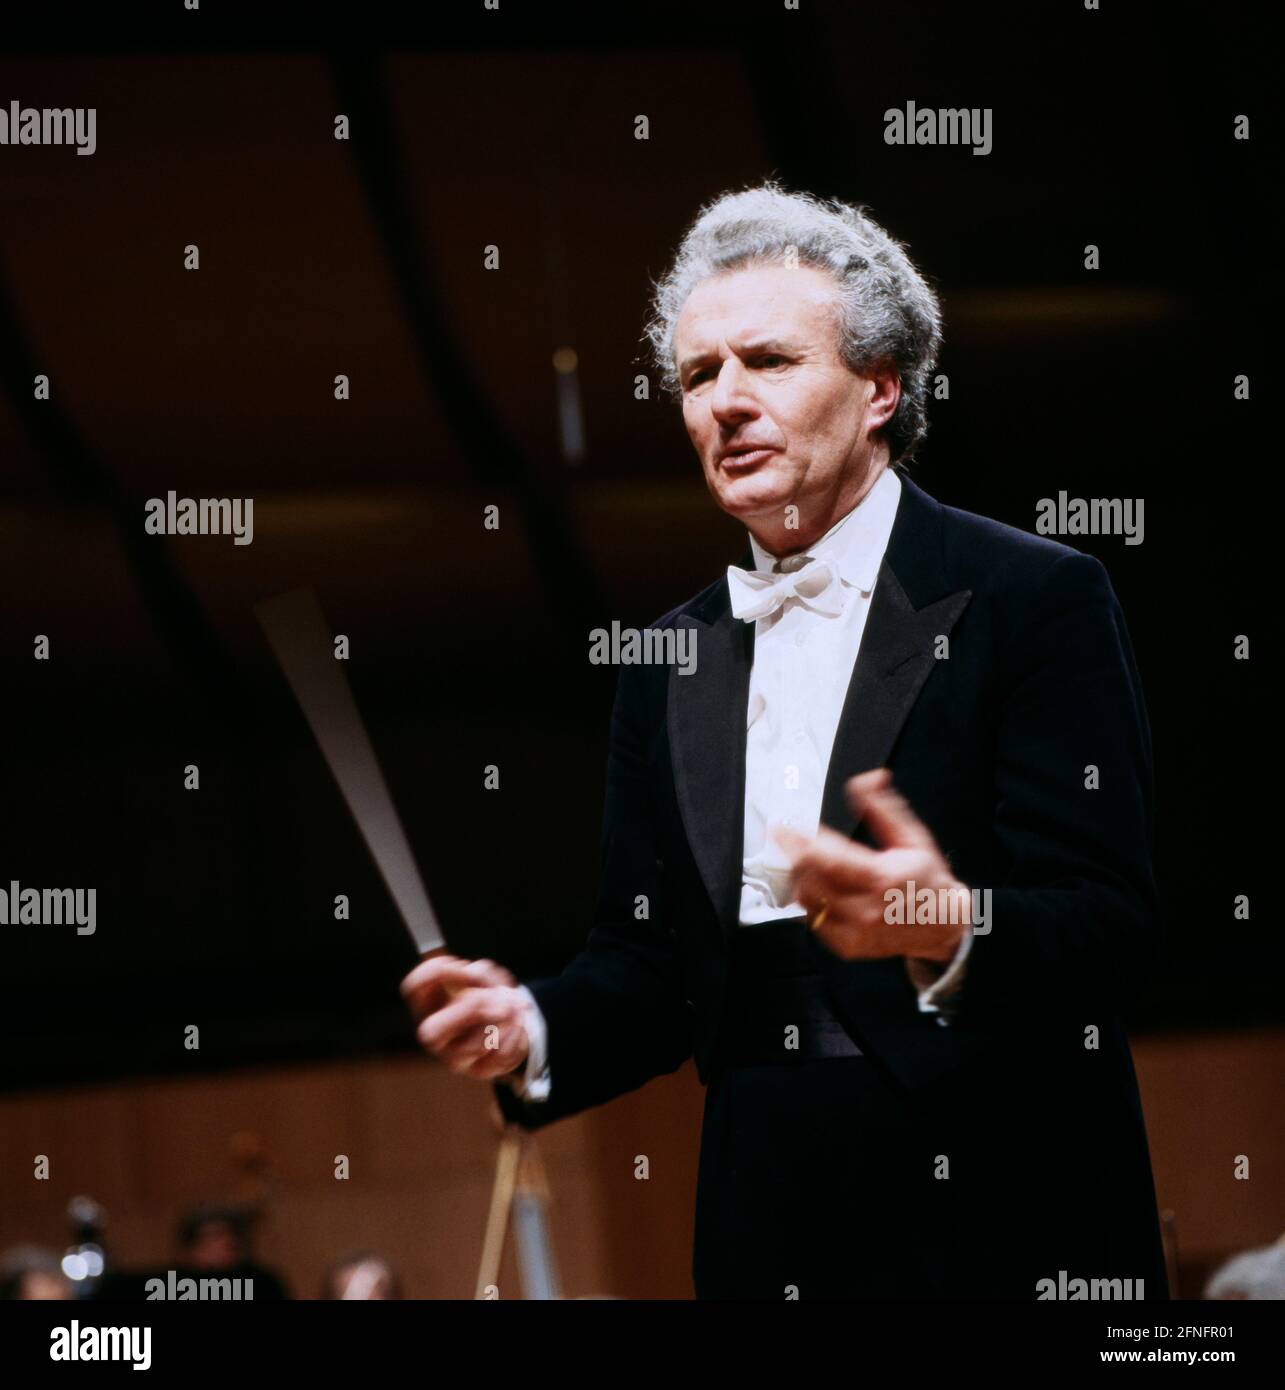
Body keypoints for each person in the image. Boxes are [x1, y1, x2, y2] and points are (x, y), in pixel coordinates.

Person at [401, 182, 1168, 1299]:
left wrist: (939, 919)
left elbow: (1111, 926)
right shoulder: (668, 658)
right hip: (765, 1197)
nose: (725, 401)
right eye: (699, 375)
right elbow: (650, 968)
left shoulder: (1032, 594)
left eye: (767, 361)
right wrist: (525, 1023)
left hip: (1004, 1191)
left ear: (878, 388)